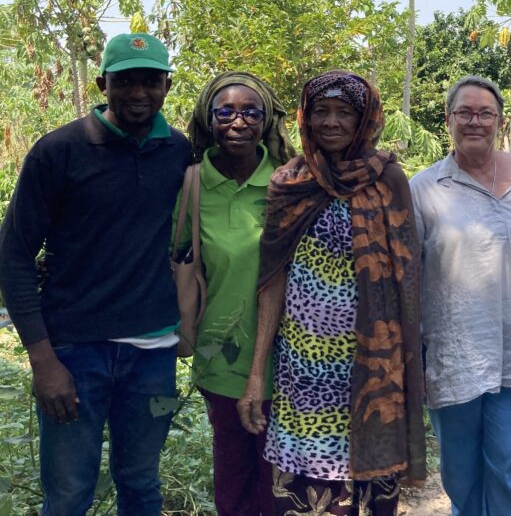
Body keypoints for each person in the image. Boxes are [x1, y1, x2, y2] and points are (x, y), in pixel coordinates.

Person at [0, 33, 191, 516]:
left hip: (153, 353)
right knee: (68, 494)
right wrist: (43, 360)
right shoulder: (58, 151)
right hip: (74, 352)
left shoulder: (177, 150)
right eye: (125, 81)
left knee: (142, 483)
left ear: (166, 86)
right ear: (103, 84)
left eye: (150, 81)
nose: (138, 93)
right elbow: (14, 255)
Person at [236, 70, 425, 516]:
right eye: (321, 111)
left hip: (374, 367)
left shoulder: (388, 179)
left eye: (345, 112)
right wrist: (257, 372)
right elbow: (272, 281)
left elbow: (408, 279)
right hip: (305, 371)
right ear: (306, 117)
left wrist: (412, 364)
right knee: (312, 496)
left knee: (371, 486)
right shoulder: (290, 183)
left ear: (364, 119)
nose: (332, 122)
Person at [410, 75, 511, 516]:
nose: (475, 121)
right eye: (465, 112)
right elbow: (407, 277)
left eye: (485, 113)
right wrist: (410, 357)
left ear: (500, 121)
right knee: (462, 477)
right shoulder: (424, 189)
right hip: (453, 354)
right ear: (448, 119)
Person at [173, 71, 295, 515]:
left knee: (280, 490)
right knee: (234, 484)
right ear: (209, 120)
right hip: (221, 357)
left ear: (266, 121)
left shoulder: (289, 182)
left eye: (251, 112)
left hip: (292, 359)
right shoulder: (192, 185)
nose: (238, 122)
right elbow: (174, 259)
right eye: (225, 112)